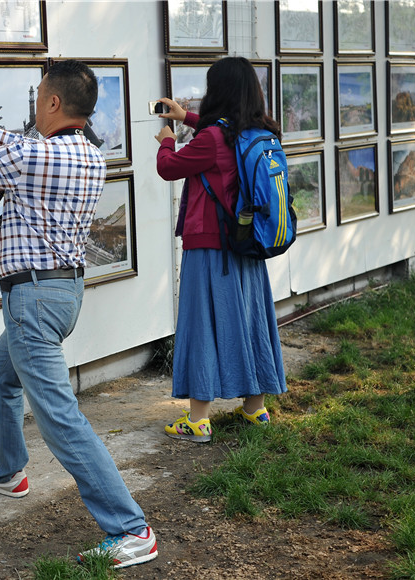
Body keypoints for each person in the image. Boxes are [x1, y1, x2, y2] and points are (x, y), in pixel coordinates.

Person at [0, 59, 158, 569]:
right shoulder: (90, 153)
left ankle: (131, 528)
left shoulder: (29, 156)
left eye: (39, 95)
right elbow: (21, 150)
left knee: (60, 418)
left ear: (51, 102)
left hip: (32, 302)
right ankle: (6, 472)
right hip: (63, 294)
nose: (34, 105)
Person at [153, 56, 287, 443]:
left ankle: (197, 421)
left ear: (220, 91)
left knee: (201, 324)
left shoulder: (211, 140)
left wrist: (166, 137)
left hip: (209, 245)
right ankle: (254, 408)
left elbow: (169, 167)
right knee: (250, 321)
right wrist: (187, 118)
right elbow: (221, 137)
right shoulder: (260, 131)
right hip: (247, 243)